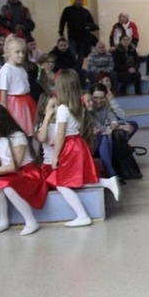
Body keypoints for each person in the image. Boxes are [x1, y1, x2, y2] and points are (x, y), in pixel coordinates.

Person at [42, 70, 120, 227]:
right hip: (78, 144)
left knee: (61, 183)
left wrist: (55, 157)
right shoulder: (78, 106)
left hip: (69, 147)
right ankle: (106, 183)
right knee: (75, 180)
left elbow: (60, 135)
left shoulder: (63, 109)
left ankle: (82, 215)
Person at [0, 103, 49, 235]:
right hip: (12, 175)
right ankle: (3, 221)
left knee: (7, 186)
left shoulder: (17, 137)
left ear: (0, 122)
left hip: (28, 174)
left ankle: (30, 221)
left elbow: (14, 167)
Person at [0, 35, 36, 137]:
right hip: (14, 104)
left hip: (25, 101)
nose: (21, 55)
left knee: (28, 132)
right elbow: (3, 97)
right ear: (8, 52)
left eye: (23, 52)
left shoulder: (21, 68)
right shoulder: (6, 70)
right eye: (17, 52)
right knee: (17, 132)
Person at [58, 0, 97, 69]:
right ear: (75, 0)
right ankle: (71, 69)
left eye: (82, 0)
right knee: (72, 54)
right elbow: (62, 22)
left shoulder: (86, 12)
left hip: (83, 38)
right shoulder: (68, 10)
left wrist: (88, 26)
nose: (81, 2)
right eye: (79, 0)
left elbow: (92, 24)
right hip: (72, 37)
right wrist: (61, 33)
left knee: (81, 56)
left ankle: (77, 70)